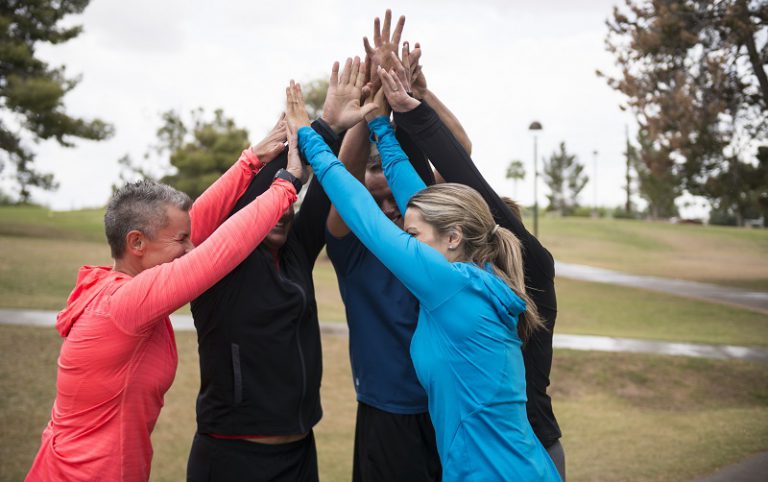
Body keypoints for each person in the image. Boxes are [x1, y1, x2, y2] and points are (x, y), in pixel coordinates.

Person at [291, 65, 561, 481]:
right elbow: (417, 197)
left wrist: (310, 137)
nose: (407, 239)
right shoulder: (478, 273)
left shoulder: (450, 285)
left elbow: (362, 214)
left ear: (453, 238)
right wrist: (380, 123)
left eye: (413, 234)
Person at [25, 118, 306, 481]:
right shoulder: (124, 304)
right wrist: (286, 185)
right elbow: (215, 254)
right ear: (137, 243)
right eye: (180, 241)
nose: (191, 247)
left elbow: (198, 227)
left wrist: (250, 161)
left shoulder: (118, 287)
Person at [185, 58, 376, 482]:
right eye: (270, 202)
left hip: (299, 452)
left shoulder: (296, 250)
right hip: (232, 457)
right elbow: (247, 198)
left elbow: (333, 183)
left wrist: (347, 123)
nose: (282, 212)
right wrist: (319, 126)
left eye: (288, 203)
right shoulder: (219, 264)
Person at [390, 50, 567, 480]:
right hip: (468, 453)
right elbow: (422, 199)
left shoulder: (533, 273)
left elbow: (463, 173)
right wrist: (404, 111)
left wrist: (414, 109)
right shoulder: (457, 278)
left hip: (526, 456)